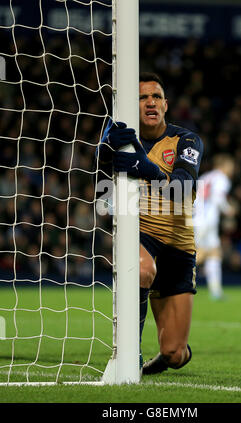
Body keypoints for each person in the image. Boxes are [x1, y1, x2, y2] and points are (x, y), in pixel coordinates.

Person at [97, 72, 204, 374]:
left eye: (156, 96)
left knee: (174, 353)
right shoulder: (126, 139)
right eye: (142, 97)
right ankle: (131, 353)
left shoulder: (187, 140)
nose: (150, 102)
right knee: (143, 270)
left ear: (166, 105)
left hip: (180, 245)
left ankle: (170, 354)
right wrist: (105, 146)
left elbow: (183, 188)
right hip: (143, 234)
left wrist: (148, 169)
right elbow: (100, 160)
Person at [193, 154, 235, 300]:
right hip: (207, 220)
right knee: (199, 254)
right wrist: (228, 209)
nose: (232, 169)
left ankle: (216, 291)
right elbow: (217, 198)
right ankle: (170, 279)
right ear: (224, 166)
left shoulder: (205, 176)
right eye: (231, 166)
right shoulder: (222, 178)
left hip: (197, 217)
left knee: (214, 253)